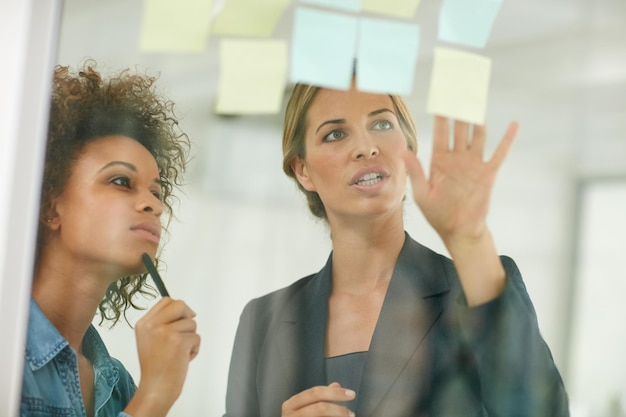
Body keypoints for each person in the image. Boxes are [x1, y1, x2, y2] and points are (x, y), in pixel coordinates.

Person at [223, 78, 569, 416]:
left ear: (409, 150)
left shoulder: (478, 289)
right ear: (303, 171)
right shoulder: (262, 322)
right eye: (335, 134)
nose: (367, 147)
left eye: (382, 124)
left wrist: (471, 240)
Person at [20, 60, 201, 417]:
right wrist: (154, 397)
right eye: (121, 181)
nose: (153, 205)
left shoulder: (118, 385)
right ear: (49, 205)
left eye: (157, 192)